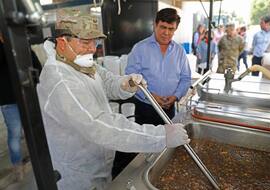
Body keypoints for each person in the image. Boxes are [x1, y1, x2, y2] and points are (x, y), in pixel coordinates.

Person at [36, 9, 190, 190]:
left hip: (98, 159)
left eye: (94, 42)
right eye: (85, 42)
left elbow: (107, 81)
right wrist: (160, 136)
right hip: (79, 171)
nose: (92, 49)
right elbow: (100, 126)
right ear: (62, 43)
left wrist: (126, 84)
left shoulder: (79, 61)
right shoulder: (61, 81)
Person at [125, 8, 191, 125]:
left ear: (175, 29)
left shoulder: (179, 51)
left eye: (171, 29)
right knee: (146, 141)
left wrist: (176, 96)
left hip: (169, 108)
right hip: (145, 108)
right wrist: (150, 96)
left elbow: (185, 78)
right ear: (155, 25)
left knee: (168, 141)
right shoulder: (140, 48)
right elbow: (130, 78)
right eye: (163, 27)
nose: (166, 33)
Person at [0, 32, 40, 184]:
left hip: (27, 95)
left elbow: (36, 66)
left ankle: (34, 158)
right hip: (9, 99)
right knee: (15, 133)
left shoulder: (21, 46)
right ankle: (18, 166)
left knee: (32, 129)